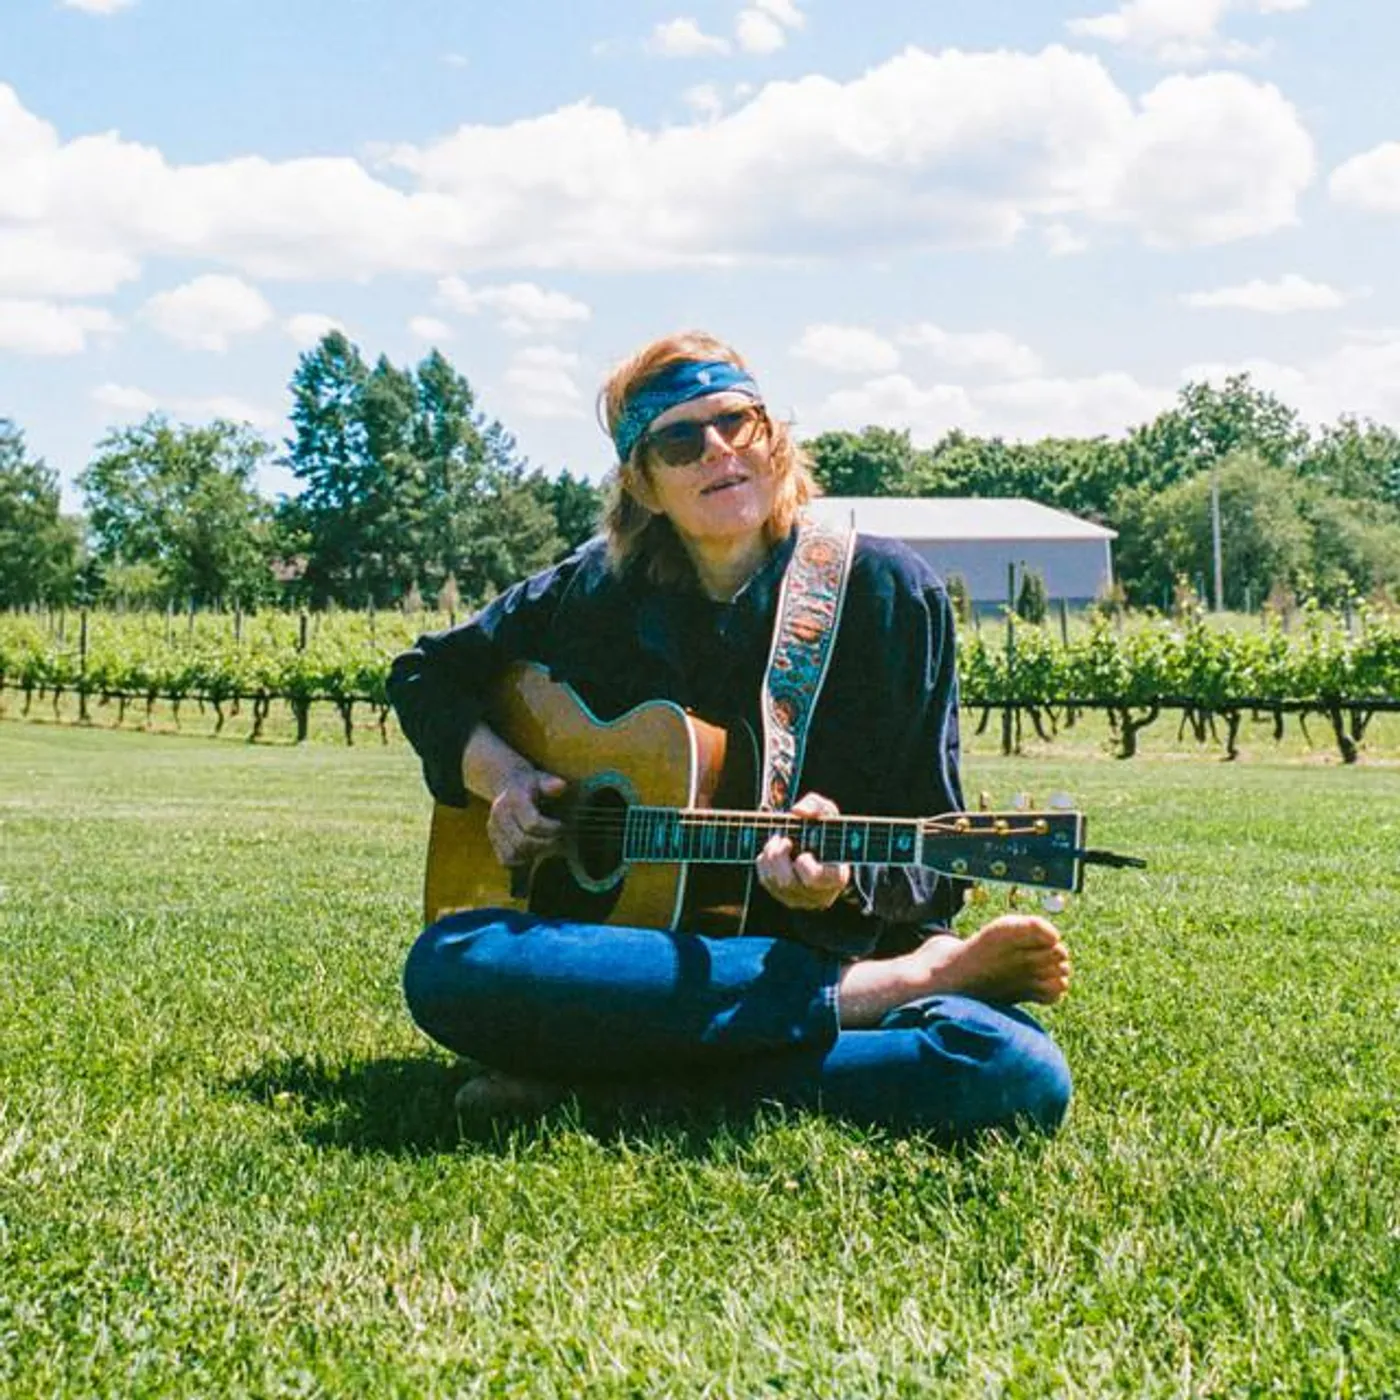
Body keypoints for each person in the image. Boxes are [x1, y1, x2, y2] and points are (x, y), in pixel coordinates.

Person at [388, 330, 1072, 1136]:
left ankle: (605, 1090)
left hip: (834, 946)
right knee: (451, 962)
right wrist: (501, 776)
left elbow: (930, 864)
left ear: (773, 441)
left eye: (737, 423)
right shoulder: (594, 591)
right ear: (643, 484)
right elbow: (427, 675)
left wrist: (842, 881)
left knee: (1011, 1069)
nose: (717, 450)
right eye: (681, 440)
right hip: (636, 963)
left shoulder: (887, 594)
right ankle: (872, 999)